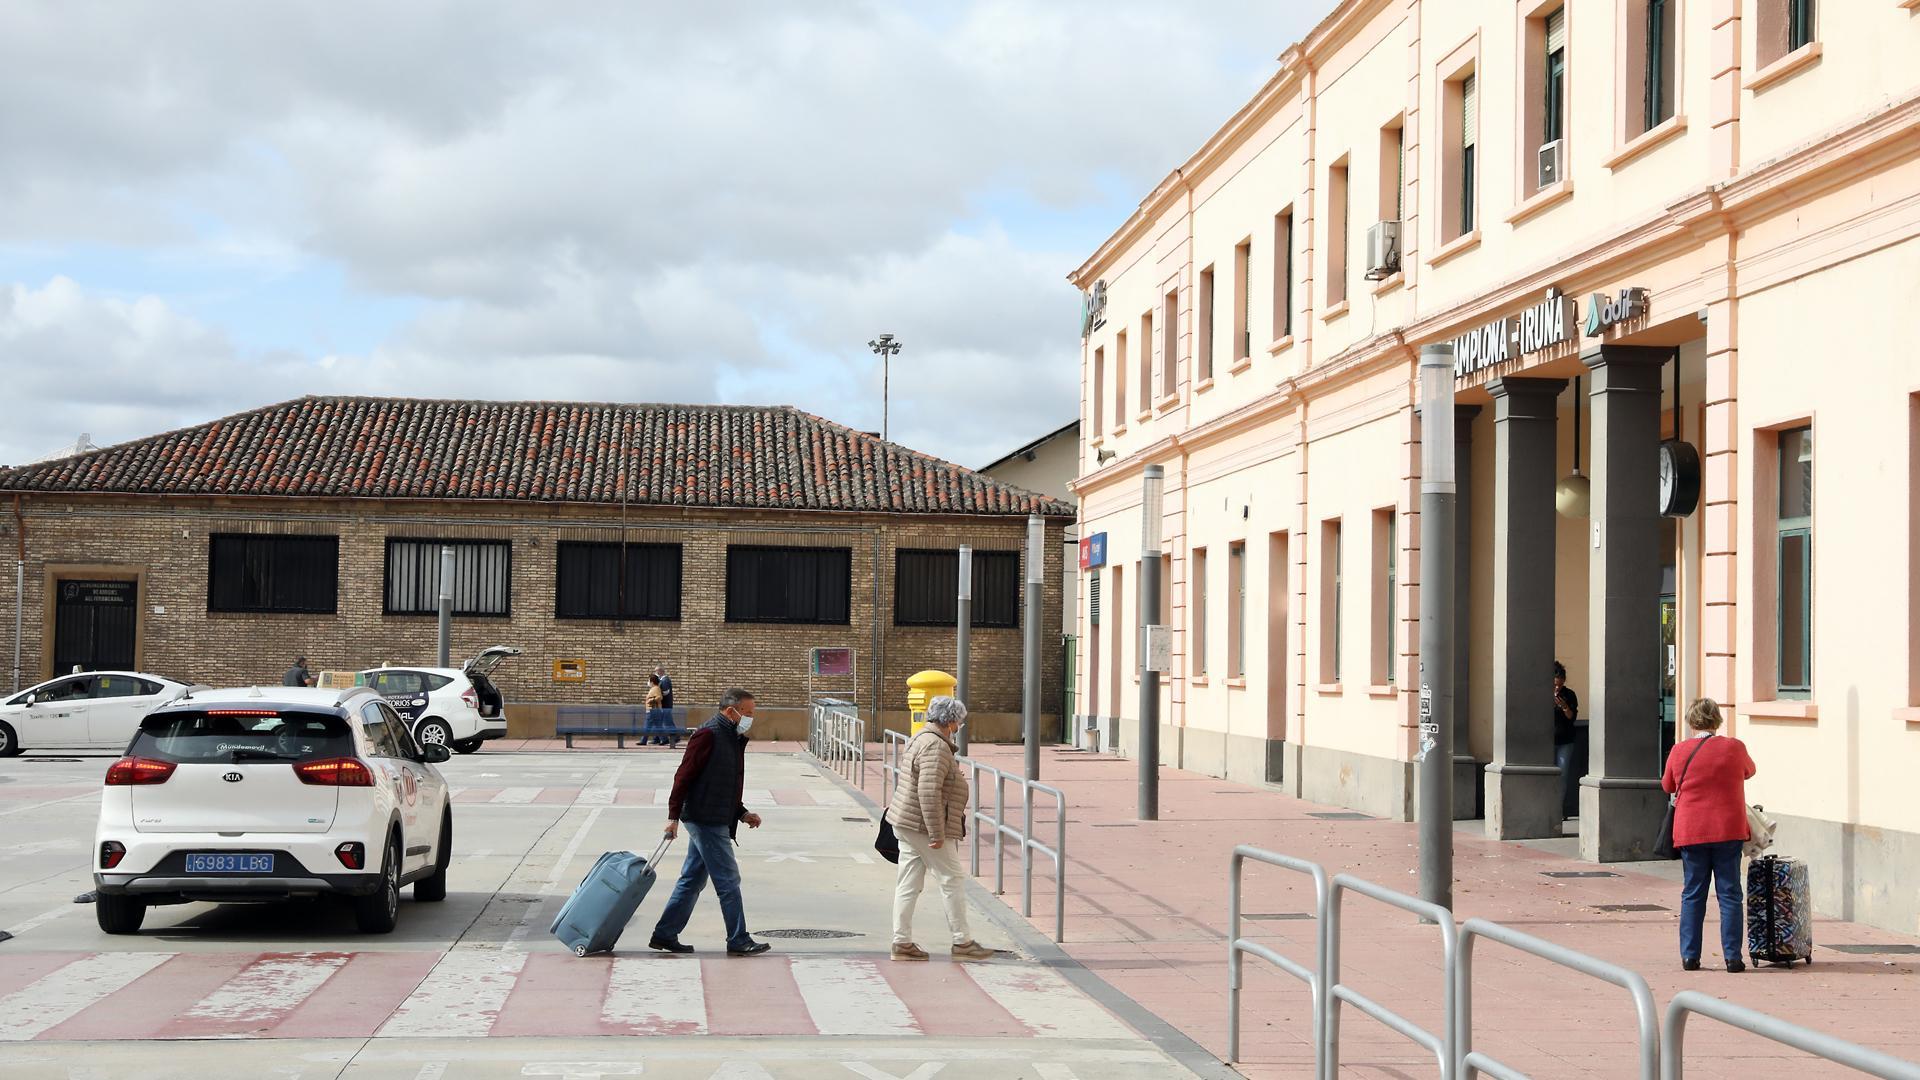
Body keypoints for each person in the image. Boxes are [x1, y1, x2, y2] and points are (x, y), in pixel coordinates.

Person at [649, 688, 770, 957]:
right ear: (731, 711)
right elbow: (683, 777)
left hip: (714, 816)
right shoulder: (708, 734)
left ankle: (665, 934)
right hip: (705, 819)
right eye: (748, 714)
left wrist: (741, 813)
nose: (751, 718)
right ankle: (738, 939)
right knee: (728, 879)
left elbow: (722, 784)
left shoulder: (731, 736)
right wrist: (672, 818)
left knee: (692, 880)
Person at [888, 696, 995, 962]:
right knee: (952, 880)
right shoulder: (935, 747)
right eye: (959, 721)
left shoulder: (921, 738)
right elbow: (928, 790)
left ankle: (901, 942)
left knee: (909, 883)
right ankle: (962, 942)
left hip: (908, 822)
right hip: (924, 826)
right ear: (949, 721)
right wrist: (936, 833)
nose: (960, 726)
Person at [1663, 698, 1757, 973]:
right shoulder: (1734, 747)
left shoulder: (1679, 751)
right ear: (1716, 720)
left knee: (1693, 893)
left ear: (1691, 722)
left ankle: (1690, 957)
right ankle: (1733, 958)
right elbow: (1749, 771)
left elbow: (1667, 784)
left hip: (1691, 830)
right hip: (1728, 829)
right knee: (1729, 893)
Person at [1552, 661, 1583, 819]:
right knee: (1548, 775)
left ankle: (1559, 808)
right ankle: (1549, 806)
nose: (1557, 688)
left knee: (1562, 775)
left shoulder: (1569, 695)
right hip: (1547, 742)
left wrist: (1564, 707)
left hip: (1565, 740)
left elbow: (1571, 717)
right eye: (1555, 685)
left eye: (1560, 684)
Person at [643, 674, 676, 746]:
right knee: (656, 726)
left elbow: (659, 697)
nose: (648, 682)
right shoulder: (653, 688)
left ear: (652, 682)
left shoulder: (656, 688)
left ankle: (643, 740)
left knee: (648, 726)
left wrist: (651, 700)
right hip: (652, 710)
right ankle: (664, 739)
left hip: (653, 710)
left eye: (649, 680)